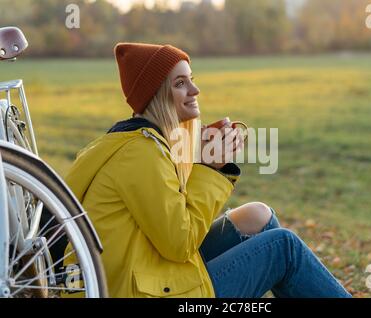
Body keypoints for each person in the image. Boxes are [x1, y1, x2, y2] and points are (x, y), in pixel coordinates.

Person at [65, 43, 351, 298]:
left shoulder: (137, 143)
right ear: (157, 95)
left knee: (258, 215)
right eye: (180, 83)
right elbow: (179, 243)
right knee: (283, 247)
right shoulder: (140, 154)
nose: (194, 90)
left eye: (192, 79)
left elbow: (167, 222)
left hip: (144, 271)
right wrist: (210, 170)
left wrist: (200, 160)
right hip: (136, 289)